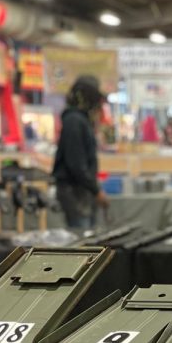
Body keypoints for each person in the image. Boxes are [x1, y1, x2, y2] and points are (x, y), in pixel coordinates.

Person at [52, 75, 107, 229]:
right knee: (81, 240)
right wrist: (95, 190)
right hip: (74, 191)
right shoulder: (75, 121)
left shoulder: (79, 120)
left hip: (80, 190)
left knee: (86, 236)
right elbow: (76, 163)